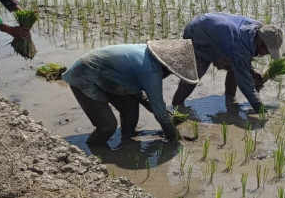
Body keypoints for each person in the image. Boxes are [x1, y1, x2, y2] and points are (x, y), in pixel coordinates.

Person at [62, 40, 198, 145]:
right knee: (107, 126)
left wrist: (162, 112)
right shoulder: (150, 70)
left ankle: (127, 140)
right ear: (167, 67)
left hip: (107, 77)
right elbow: (159, 112)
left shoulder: (149, 55)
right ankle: (93, 151)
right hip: (83, 76)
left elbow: (138, 93)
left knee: (131, 109)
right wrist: (174, 137)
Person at [171, 13, 283, 113]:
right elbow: (247, 87)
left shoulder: (258, 29)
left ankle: (230, 97)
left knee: (234, 64)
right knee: (196, 73)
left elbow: (240, 59)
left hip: (210, 25)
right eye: (267, 51)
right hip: (197, 32)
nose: (267, 54)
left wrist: (250, 70)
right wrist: (261, 110)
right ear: (259, 43)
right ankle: (177, 104)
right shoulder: (240, 47)